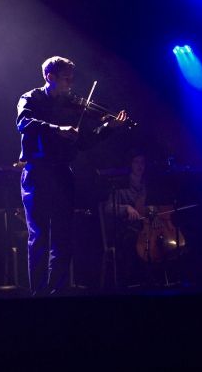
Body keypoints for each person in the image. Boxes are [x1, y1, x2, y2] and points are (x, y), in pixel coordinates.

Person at [16, 56, 128, 295]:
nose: (70, 84)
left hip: (62, 174)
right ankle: (38, 296)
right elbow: (24, 123)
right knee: (39, 236)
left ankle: (58, 293)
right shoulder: (30, 98)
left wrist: (107, 128)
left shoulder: (72, 106)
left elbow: (84, 142)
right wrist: (57, 129)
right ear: (50, 77)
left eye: (71, 78)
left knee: (63, 238)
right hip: (37, 173)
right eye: (66, 79)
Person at [103, 151, 147, 287]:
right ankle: (132, 282)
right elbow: (108, 208)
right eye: (136, 162)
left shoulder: (146, 186)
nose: (140, 166)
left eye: (142, 162)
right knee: (132, 240)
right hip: (126, 229)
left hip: (145, 227)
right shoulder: (121, 185)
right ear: (131, 165)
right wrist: (126, 207)